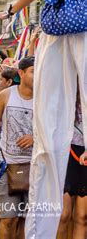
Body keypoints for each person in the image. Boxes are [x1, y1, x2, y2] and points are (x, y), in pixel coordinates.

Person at [0, 0, 87, 236]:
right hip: (83, 31)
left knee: (51, 97)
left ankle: (46, 136)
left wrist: (10, 11)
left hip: (55, 36)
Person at [0, 56, 35, 239]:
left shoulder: (45, 99)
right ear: (21, 73)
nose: (38, 76)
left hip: (35, 167)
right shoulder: (6, 95)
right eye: (33, 71)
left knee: (28, 220)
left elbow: (55, 130)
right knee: (9, 218)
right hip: (8, 166)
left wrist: (36, 138)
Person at [57, 93, 87, 239]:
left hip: (84, 156)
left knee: (82, 216)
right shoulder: (66, 91)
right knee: (63, 215)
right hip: (66, 154)